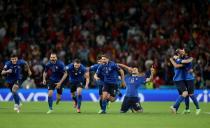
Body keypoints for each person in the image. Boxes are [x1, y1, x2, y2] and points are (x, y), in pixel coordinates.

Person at [170, 49, 201, 115]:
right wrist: (173, 59)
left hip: (187, 79)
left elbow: (189, 60)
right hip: (180, 80)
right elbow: (176, 64)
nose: (182, 52)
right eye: (181, 52)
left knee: (188, 94)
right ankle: (182, 108)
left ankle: (195, 108)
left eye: (183, 51)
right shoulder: (179, 60)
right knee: (185, 94)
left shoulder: (185, 59)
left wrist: (174, 59)